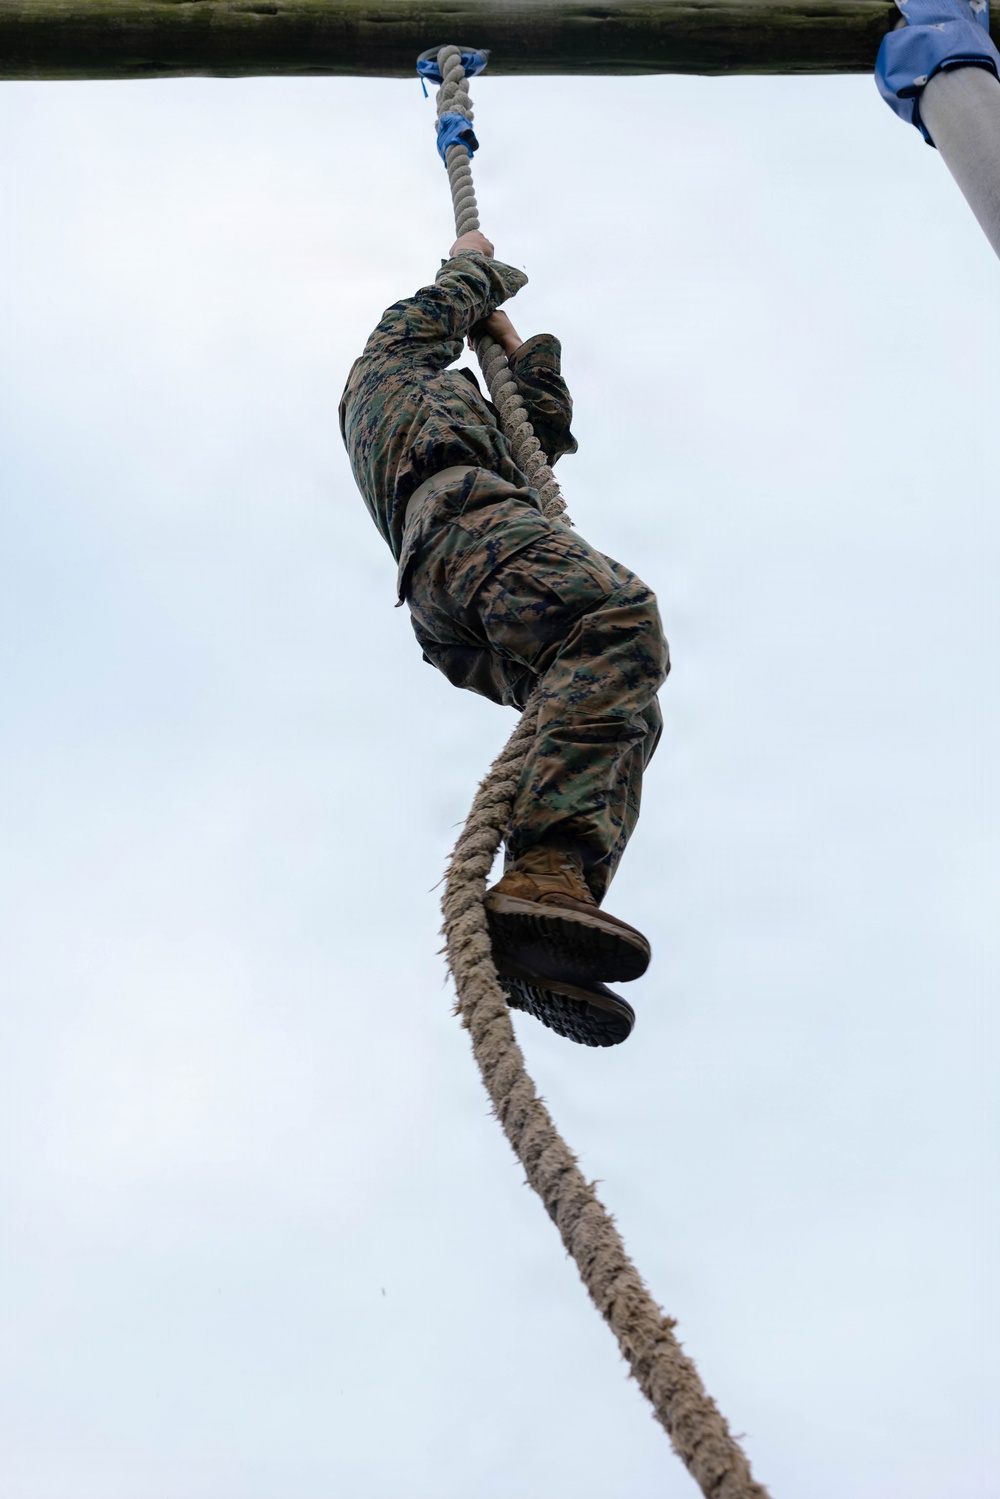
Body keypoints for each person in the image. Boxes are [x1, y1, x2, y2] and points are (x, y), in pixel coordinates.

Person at [340, 231, 669, 1046]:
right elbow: (438, 311)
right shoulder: (383, 378)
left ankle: (549, 914)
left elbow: (541, 431)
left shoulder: (470, 419)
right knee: (620, 621)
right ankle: (544, 868)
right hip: (464, 530)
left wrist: (521, 351)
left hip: (462, 583)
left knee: (624, 704)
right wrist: (475, 267)